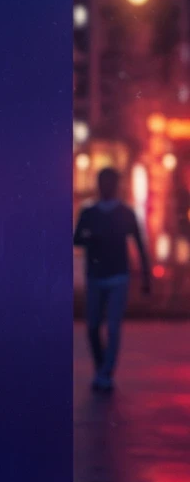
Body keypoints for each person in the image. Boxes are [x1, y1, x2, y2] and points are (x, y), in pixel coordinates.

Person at [74, 166, 151, 391]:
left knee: (114, 327)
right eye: (102, 182)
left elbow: (139, 244)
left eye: (109, 182)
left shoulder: (126, 213)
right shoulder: (88, 213)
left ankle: (106, 373)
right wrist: (94, 239)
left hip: (118, 276)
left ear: (116, 186)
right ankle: (101, 368)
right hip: (95, 276)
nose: (106, 186)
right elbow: (76, 239)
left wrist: (146, 278)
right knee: (93, 326)